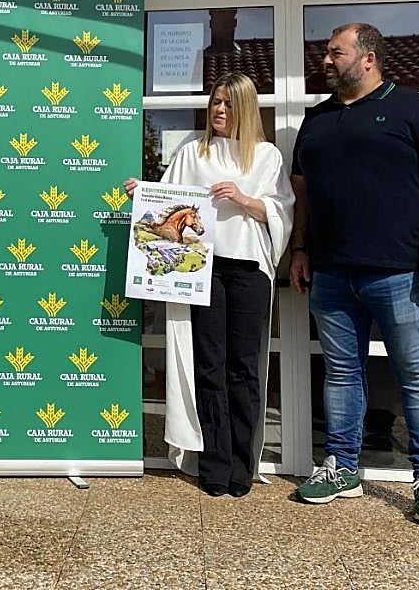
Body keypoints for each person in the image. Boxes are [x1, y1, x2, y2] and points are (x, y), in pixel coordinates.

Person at [289, 22, 419, 526]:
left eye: (336, 53)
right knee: (342, 373)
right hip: (331, 272)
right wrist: (300, 248)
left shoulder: (414, 108)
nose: (326, 61)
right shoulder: (316, 119)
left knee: (418, 375)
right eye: (326, 53)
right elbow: (302, 192)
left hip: (399, 272)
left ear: (368, 58)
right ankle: (341, 467)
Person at [125, 72, 294, 497]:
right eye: (216, 101)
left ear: (245, 108)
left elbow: (280, 211)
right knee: (210, 365)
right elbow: (167, 201)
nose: (219, 109)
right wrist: (140, 193)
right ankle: (214, 464)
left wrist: (243, 198)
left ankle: (242, 464)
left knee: (244, 368)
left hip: (248, 269)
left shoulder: (266, 156)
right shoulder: (192, 152)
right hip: (203, 271)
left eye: (228, 103)